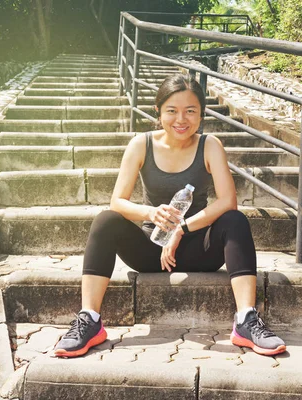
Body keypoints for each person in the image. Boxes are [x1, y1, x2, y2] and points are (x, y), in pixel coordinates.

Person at [54, 73, 286, 358]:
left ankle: (246, 320)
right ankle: (89, 320)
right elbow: (118, 201)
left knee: (234, 221)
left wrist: (182, 229)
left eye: (191, 111)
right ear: (158, 111)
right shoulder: (141, 144)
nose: (181, 119)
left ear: (201, 114)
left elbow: (228, 202)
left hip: (200, 249)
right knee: (106, 220)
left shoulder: (210, 145)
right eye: (172, 111)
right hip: (152, 249)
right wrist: (151, 212)